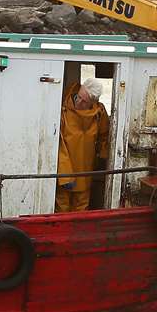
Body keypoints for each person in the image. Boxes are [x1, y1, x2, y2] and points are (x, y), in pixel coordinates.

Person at [56, 78, 111, 213]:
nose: (78, 102)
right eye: (78, 97)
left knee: (81, 211)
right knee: (62, 210)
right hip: (64, 172)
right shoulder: (62, 110)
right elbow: (59, 144)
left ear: (93, 102)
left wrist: (103, 160)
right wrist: (65, 175)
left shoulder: (99, 113)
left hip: (85, 173)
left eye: (84, 101)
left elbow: (105, 136)